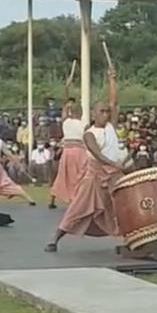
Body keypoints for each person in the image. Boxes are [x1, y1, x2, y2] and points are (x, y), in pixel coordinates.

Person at [46, 67, 122, 252]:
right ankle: (55, 238)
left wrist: (112, 79)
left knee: (121, 209)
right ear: (94, 113)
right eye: (102, 111)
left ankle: (132, 239)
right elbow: (96, 153)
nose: (106, 114)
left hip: (113, 177)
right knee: (79, 208)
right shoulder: (89, 133)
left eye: (107, 111)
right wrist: (114, 164)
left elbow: (114, 101)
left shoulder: (111, 126)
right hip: (95, 177)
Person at [49, 64, 90, 209]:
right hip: (75, 151)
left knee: (67, 175)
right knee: (71, 175)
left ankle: (63, 199)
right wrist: (67, 87)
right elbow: (65, 104)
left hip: (73, 151)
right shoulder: (69, 121)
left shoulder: (81, 123)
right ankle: (62, 199)